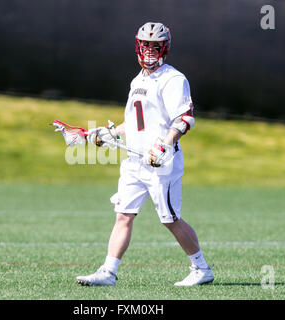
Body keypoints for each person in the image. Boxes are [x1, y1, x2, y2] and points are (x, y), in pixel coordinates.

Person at [76, 22, 214, 286]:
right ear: (138, 46)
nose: (150, 52)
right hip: (135, 162)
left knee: (170, 219)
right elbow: (134, 123)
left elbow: (185, 119)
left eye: (155, 46)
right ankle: (108, 271)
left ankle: (201, 269)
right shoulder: (137, 80)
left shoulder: (173, 79)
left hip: (162, 162)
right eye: (146, 45)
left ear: (165, 48)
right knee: (123, 214)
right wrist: (107, 134)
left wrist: (163, 144)